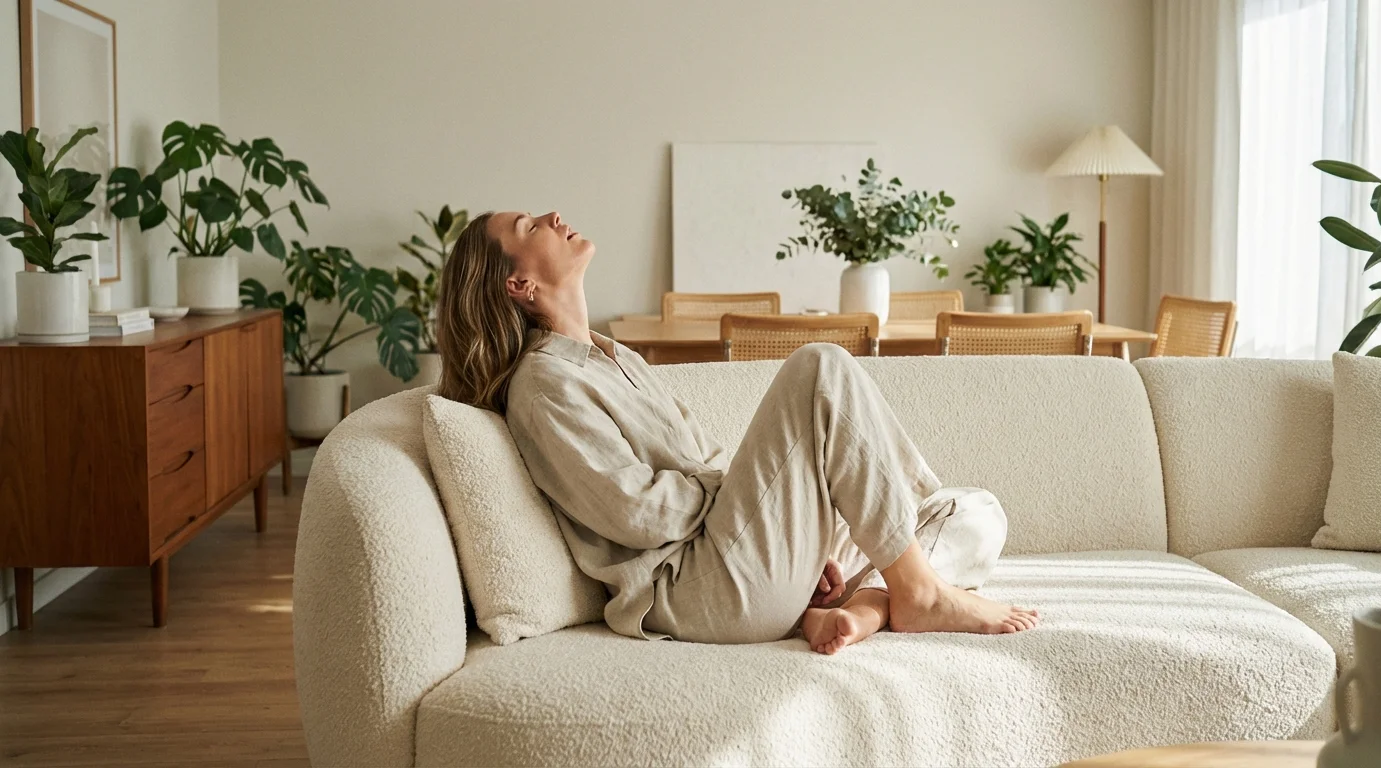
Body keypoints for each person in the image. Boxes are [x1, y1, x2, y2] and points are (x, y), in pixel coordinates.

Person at [436, 210, 1038, 655]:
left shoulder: (618, 357)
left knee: (977, 512)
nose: (552, 217)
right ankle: (916, 592)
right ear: (519, 285)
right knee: (820, 367)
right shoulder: (544, 385)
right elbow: (634, 511)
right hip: (702, 589)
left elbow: (703, 460)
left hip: (738, 556)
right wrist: (739, 501)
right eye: (528, 226)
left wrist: (799, 537)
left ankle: (872, 605)